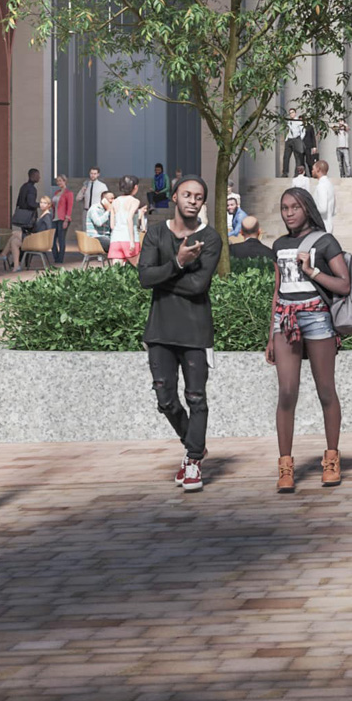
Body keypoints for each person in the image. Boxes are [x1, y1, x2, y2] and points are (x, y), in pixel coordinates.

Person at [268, 186, 351, 492]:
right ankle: (285, 466)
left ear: (307, 209)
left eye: (294, 207)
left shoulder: (325, 241)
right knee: (287, 392)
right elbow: (277, 291)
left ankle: (331, 458)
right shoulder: (278, 245)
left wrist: (312, 271)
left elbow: (344, 285)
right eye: (284, 208)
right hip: (284, 321)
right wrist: (270, 334)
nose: (289, 213)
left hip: (317, 318)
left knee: (326, 390)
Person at [140, 176, 220, 492]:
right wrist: (178, 261)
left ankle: (192, 461)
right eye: (186, 194)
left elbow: (198, 285)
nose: (192, 200)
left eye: (198, 196)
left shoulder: (210, 239)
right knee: (164, 398)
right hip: (160, 329)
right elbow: (145, 277)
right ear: (175, 197)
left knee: (195, 397)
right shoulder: (156, 233)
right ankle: (195, 442)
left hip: (195, 330)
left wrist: (165, 272)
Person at [291, 153, 338, 237]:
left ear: (318, 170)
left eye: (313, 169)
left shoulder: (321, 186)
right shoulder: (329, 184)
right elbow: (334, 210)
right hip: (328, 225)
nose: (311, 171)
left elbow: (323, 209)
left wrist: (308, 210)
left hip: (322, 227)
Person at [107, 178, 147, 266]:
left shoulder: (115, 201)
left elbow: (112, 225)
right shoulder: (134, 201)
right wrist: (132, 241)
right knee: (139, 269)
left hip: (115, 239)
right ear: (135, 187)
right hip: (129, 238)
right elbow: (129, 219)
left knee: (116, 273)